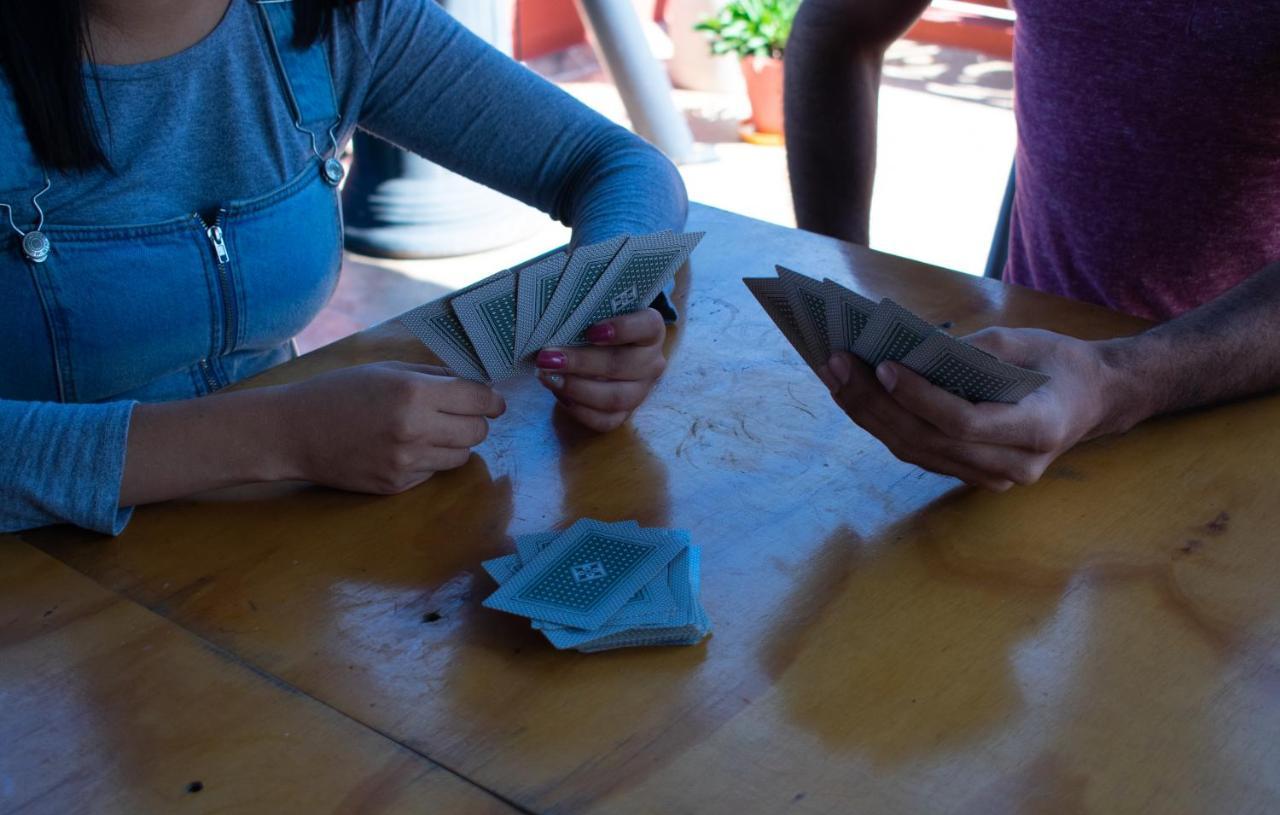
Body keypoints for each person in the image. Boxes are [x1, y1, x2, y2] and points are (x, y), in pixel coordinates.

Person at [0, 0, 687, 534]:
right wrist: (279, 435)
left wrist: (604, 302)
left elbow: (621, 167)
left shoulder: (333, 20)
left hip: (271, 555)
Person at [785, 0, 1280, 491]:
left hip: (1239, 423)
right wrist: (840, 271)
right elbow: (836, 25)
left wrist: (1120, 379)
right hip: (1026, 394)